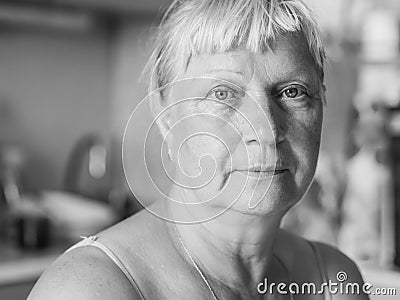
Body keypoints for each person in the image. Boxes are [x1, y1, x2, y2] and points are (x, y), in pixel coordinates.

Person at [28, 0, 369, 299]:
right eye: (223, 94)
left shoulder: (333, 282)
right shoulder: (89, 290)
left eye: (292, 92)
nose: (266, 130)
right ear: (164, 116)